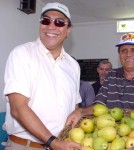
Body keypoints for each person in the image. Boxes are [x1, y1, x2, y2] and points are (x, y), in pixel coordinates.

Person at [3, 2, 83, 150]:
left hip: (62, 144)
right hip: (26, 146)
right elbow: (18, 108)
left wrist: (78, 112)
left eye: (59, 22)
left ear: (68, 30)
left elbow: (73, 106)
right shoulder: (22, 54)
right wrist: (53, 142)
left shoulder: (73, 65)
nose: (51, 26)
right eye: (46, 20)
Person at [66, 33, 134, 128]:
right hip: (110, 136)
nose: (128, 54)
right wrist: (80, 112)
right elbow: (98, 106)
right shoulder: (111, 76)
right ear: (119, 55)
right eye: (124, 51)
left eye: (133, 50)